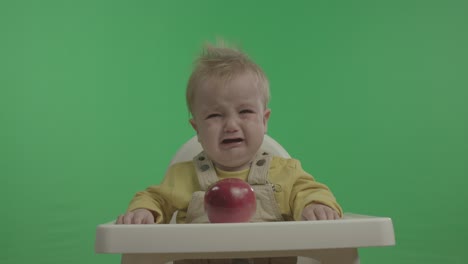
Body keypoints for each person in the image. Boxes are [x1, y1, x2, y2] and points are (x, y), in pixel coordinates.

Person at [116, 41, 342, 226]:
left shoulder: (286, 173)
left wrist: (316, 206)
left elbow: (312, 191)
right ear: (198, 129)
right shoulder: (183, 177)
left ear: (264, 121)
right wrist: (144, 211)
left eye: (245, 111)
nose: (231, 125)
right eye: (215, 116)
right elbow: (154, 197)